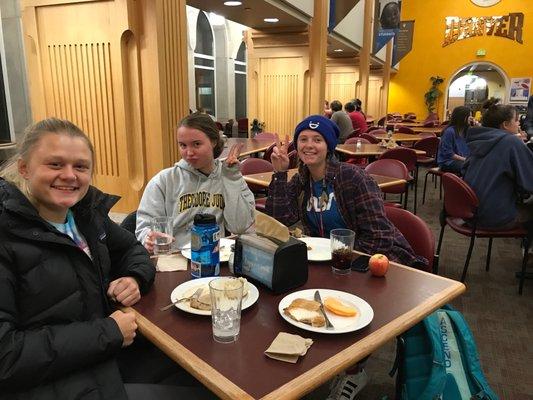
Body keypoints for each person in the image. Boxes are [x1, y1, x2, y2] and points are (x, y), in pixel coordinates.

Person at [0, 118, 213, 399]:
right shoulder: (7, 234)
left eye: (80, 166)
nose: (69, 175)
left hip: (99, 358)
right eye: (55, 164)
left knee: (201, 370)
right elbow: (6, 356)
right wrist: (108, 332)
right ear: (24, 168)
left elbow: (131, 250)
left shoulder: (86, 216)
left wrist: (134, 277)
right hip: (51, 382)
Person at [136, 112, 255, 252]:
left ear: (213, 141)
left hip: (213, 256)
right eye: (183, 145)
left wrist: (231, 178)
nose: (189, 152)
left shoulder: (229, 176)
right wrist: (148, 238)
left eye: (196, 144)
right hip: (173, 258)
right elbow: (144, 228)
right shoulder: (163, 181)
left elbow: (240, 226)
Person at [463, 98, 533, 230]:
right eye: (517, 120)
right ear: (505, 124)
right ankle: (527, 247)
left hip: (470, 212)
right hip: (494, 217)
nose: (519, 124)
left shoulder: (478, 139)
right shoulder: (511, 142)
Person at [437, 106, 472, 173]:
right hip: (447, 162)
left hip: (461, 160)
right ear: (462, 117)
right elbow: (448, 153)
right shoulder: (450, 132)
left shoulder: (466, 131)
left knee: (477, 166)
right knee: (469, 168)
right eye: (469, 116)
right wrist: (466, 159)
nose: (471, 118)